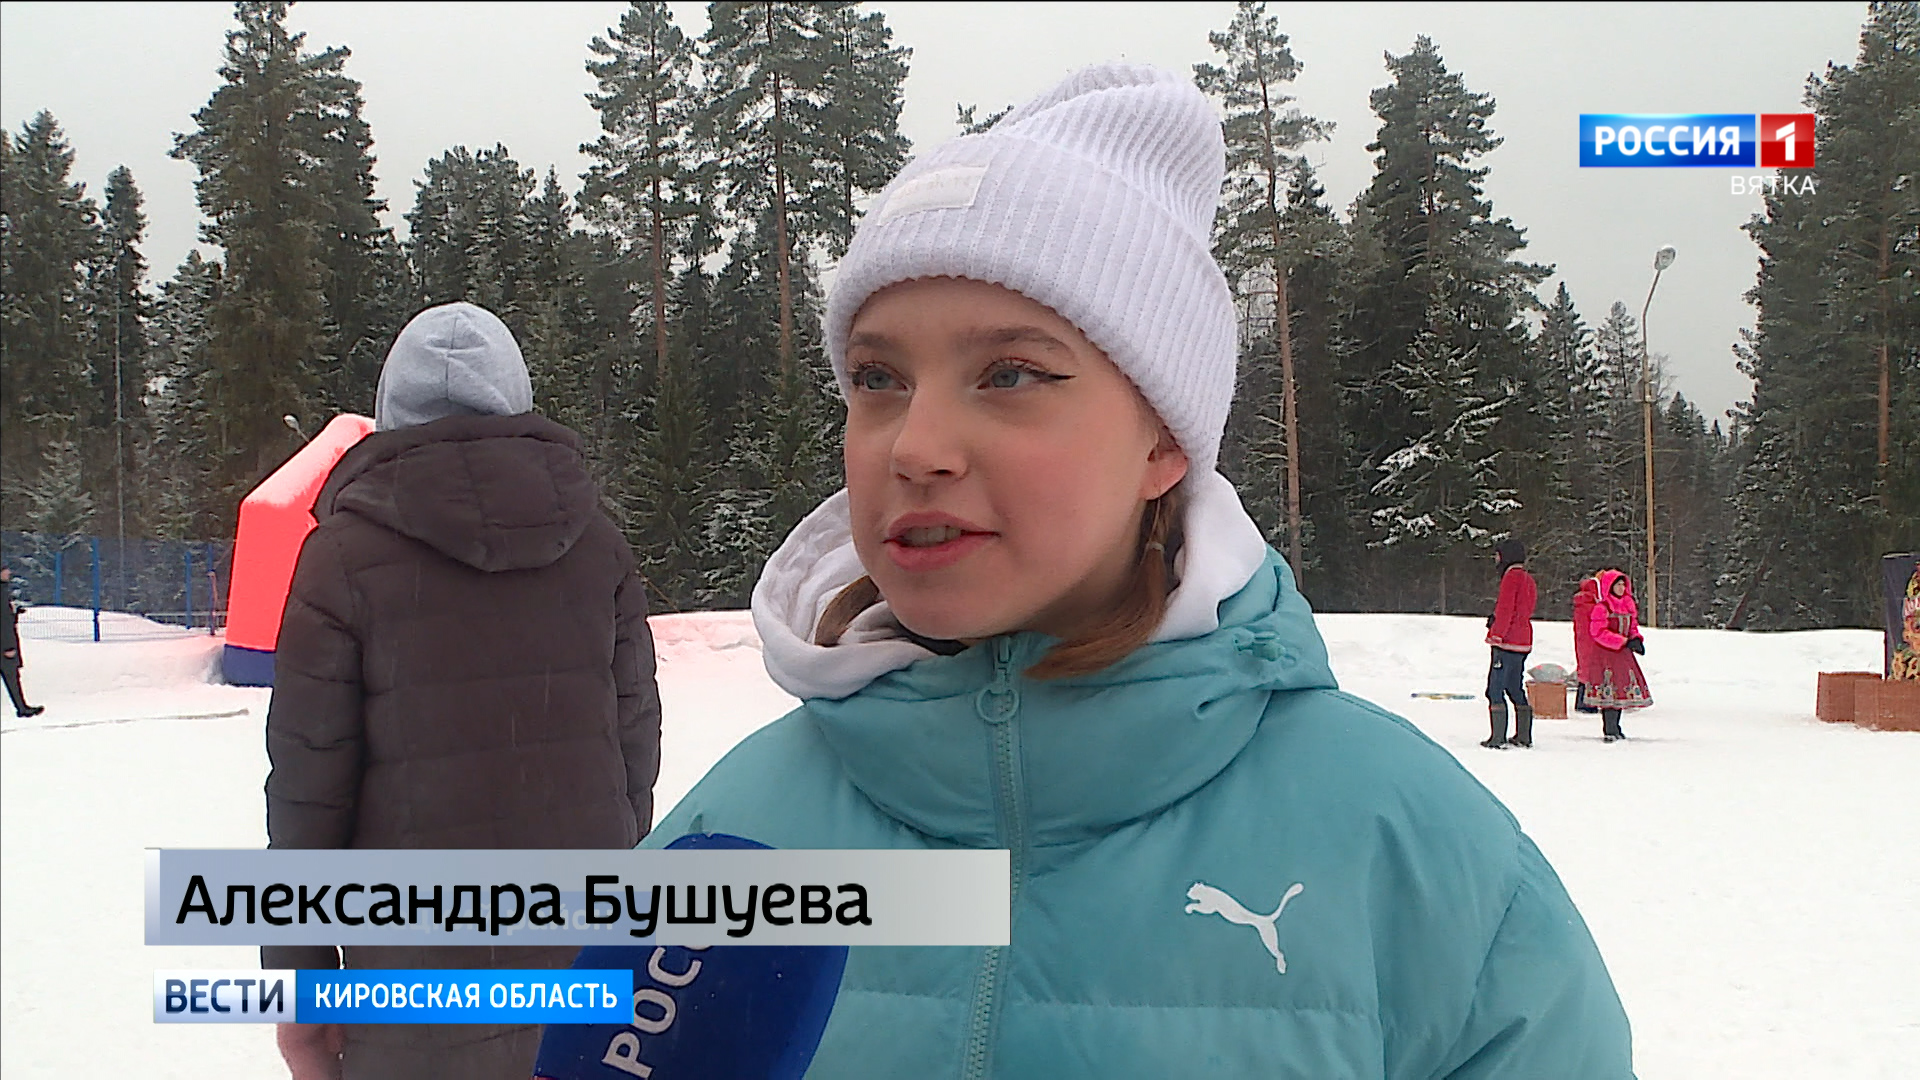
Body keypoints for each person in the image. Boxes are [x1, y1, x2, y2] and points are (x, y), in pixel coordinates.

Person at [643, 64, 1632, 1077]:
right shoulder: (733, 840)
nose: (916, 445)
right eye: (877, 379)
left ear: (1164, 442)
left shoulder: (1418, 858)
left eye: (1011, 374)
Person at [261, 302, 663, 1080]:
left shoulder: (340, 559)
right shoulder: (597, 547)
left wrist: (306, 985)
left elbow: (309, 792)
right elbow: (632, 750)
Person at [1481, 538, 1537, 749]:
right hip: (1523, 641)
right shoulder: (1528, 579)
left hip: (1507, 642)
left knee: (1495, 688)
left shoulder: (1510, 578)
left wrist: (1496, 634)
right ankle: (1524, 735)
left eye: (1497, 555)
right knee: (1515, 686)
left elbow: (1506, 609)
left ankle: (1498, 737)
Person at [1586, 569, 1652, 741]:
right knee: (1609, 691)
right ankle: (1609, 728)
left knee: (1621, 690)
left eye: (1624, 584)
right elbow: (1598, 631)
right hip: (1606, 653)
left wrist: (1636, 638)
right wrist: (1622, 641)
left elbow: (1632, 625)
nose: (1622, 588)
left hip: (1622, 653)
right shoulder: (1602, 607)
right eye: (1618, 585)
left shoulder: (1628, 605)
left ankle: (1616, 726)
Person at [1, 566, 45, 719]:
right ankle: (22, 708)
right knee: (11, 677)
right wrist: (8, 647)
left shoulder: (4, 591)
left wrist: (14, 612)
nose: (9, 573)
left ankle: (22, 707)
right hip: (4, 646)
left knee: (13, 677)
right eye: (5, 570)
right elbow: (4, 622)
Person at [1572, 575, 1602, 715]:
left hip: (1582, 640)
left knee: (1584, 667)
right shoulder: (1594, 605)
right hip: (1593, 640)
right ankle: (1588, 702)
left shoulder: (1581, 603)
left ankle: (1582, 700)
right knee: (1593, 669)